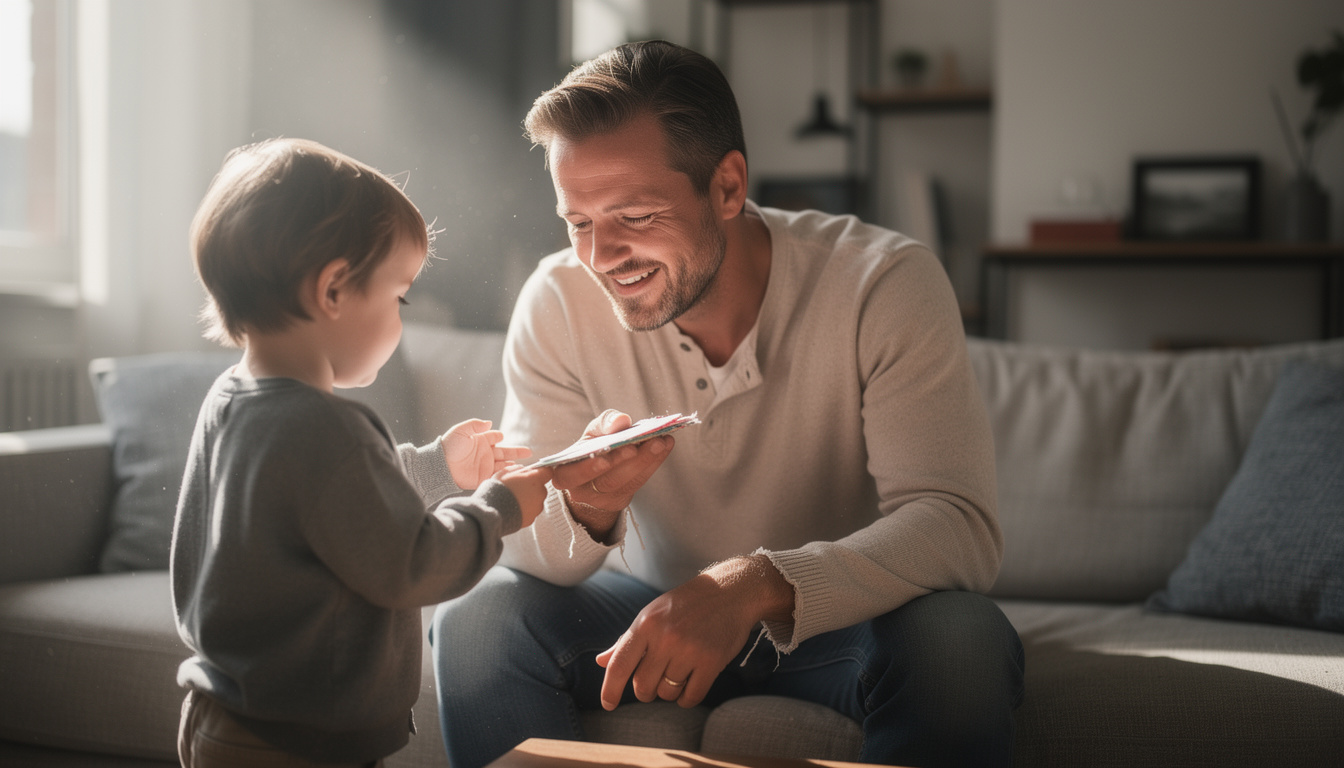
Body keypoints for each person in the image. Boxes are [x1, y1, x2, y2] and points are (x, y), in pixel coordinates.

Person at [431, 41, 1024, 768]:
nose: (600, 257)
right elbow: (530, 552)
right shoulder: (556, 303)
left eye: (636, 215)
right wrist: (586, 513)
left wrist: (750, 587)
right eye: (578, 221)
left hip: (834, 625)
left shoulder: (883, 284)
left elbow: (957, 526)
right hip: (637, 616)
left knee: (960, 638)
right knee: (477, 622)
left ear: (728, 186)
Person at [170, 137, 611, 767]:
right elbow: (416, 565)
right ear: (333, 291)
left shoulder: (233, 400)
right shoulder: (326, 429)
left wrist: (436, 467)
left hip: (224, 719)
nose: (402, 318)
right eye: (398, 296)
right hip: (302, 744)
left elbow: (329, 505)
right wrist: (500, 508)